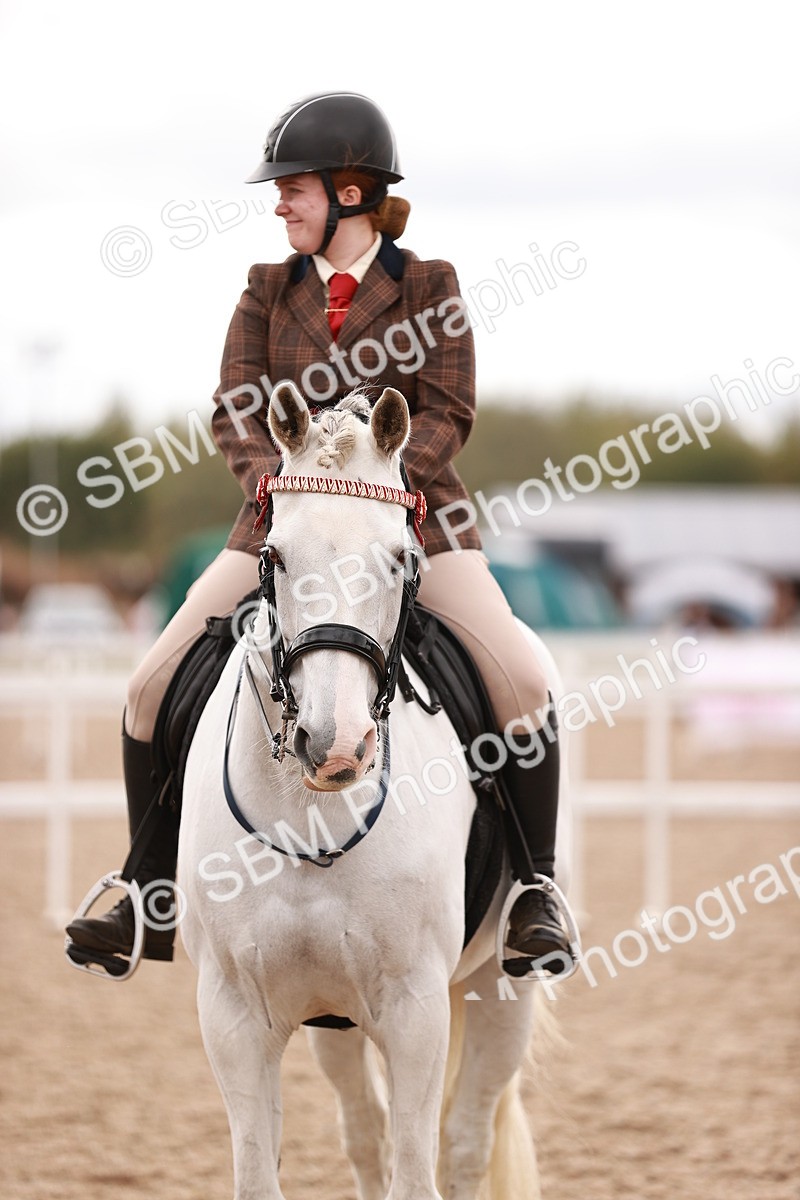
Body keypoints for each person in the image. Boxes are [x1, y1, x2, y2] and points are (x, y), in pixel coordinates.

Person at [66, 91, 571, 972]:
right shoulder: (266, 290)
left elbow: (448, 409)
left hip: (418, 525)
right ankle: (149, 890)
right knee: (149, 686)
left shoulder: (429, 284)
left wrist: (377, 485)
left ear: (348, 191)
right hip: (283, 524)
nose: (278, 204)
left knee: (526, 682)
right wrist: (280, 484)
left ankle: (536, 887)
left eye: (292, 188)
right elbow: (235, 408)